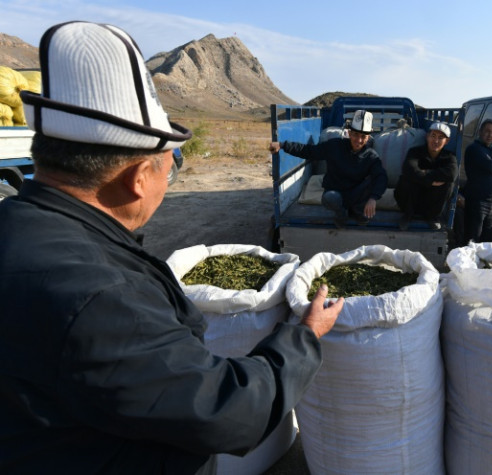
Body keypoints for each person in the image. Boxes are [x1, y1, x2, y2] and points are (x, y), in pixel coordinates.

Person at [0, 21, 343, 474]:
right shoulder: (100, 299)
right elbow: (228, 412)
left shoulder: (16, 225)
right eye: (168, 170)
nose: (168, 181)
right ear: (138, 177)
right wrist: (305, 335)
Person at [268, 110, 387, 227]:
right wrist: (283, 145)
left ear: (368, 138)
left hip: (357, 195)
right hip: (337, 193)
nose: (359, 140)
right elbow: (309, 151)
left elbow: (381, 176)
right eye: (355, 134)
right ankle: (342, 214)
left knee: (373, 181)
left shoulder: (371, 156)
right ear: (349, 133)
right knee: (330, 197)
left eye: (363, 136)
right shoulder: (334, 146)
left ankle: (357, 212)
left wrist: (373, 198)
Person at [393, 121, 458, 231]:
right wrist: (430, 181)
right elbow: (408, 169)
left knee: (449, 184)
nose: (436, 141)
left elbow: (451, 174)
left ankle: (432, 217)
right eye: (433, 136)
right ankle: (407, 215)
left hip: (430, 201)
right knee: (405, 179)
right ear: (427, 137)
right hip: (410, 200)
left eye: (440, 138)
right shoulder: (415, 152)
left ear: (446, 141)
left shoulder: (449, 157)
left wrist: (423, 174)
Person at [462, 119, 492, 244]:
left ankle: (481, 262)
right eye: (487, 131)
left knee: (487, 236)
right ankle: (468, 262)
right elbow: (491, 165)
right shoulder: (474, 149)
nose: (490, 135)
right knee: (473, 237)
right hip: (477, 201)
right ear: (480, 131)